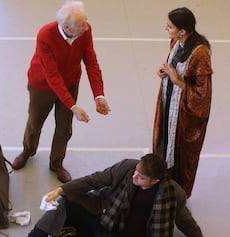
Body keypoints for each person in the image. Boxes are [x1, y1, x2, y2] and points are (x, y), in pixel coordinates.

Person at [12, 0, 110, 183]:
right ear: (67, 26)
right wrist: (73, 106)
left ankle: (56, 163)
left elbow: (91, 62)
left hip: (71, 82)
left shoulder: (85, 31)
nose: (86, 28)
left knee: (65, 128)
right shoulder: (45, 35)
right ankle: (28, 151)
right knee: (34, 124)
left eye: (85, 22)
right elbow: (52, 76)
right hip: (42, 86)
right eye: (81, 25)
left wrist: (99, 95)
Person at [27, 154, 203, 237]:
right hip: (103, 218)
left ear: (154, 181)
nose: (135, 176)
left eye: (141, 177)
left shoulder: (173, 195)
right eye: (136, 171)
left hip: (116, 234)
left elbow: (187, 223)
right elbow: (93, 180)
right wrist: (60, 190)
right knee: (66, 202)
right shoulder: (127, 168)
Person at [153, 7, 213, 198]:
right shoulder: (177, 42)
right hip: (169, 103)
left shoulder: (200, 54)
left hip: (185, 114)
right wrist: (164, 71)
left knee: (181, 155)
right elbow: (172, 66)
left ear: (183, 31)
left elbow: (201, 95)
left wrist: (175, 78)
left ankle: (178, 195)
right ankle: (163, 183)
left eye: (170, 26)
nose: (166, 29)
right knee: (164, 143)